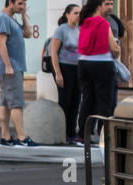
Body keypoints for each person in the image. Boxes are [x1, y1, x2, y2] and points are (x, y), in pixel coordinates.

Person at [0, 0, 38, 147]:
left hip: (15, 67)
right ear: (10, 2)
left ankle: (5, 138)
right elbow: (1, 42)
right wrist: (8, 65)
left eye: (24, 4)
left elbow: (27, 34)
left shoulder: (12, 20)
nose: (23, 7)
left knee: (6, 103)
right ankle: (22, 138)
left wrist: (24, 16)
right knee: (16, 103)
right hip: (10, 68)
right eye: (20, 3)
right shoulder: (2, 19)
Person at [77, 0, 119, 143]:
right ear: (99, 6)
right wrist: (118, 51)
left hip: (83, 63)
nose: (109, 7)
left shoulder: (84, 22)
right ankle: (103, 134)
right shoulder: (103, 23)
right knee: (104, 101)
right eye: (106, 4)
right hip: (102, 63)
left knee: (87, 100)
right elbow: (114, 49)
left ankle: (83, 133)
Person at [51, 4, 82, 145]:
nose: (78, 15)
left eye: (79, 13)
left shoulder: (80, 30)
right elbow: (53, 53)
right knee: (65, 101)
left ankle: (71, 133)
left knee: (76, 101)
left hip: (78, 69)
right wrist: (58, 73)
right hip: (64, 68)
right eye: (75, 12)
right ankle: (62, 133)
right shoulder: (61, 30)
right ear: (67, 15)